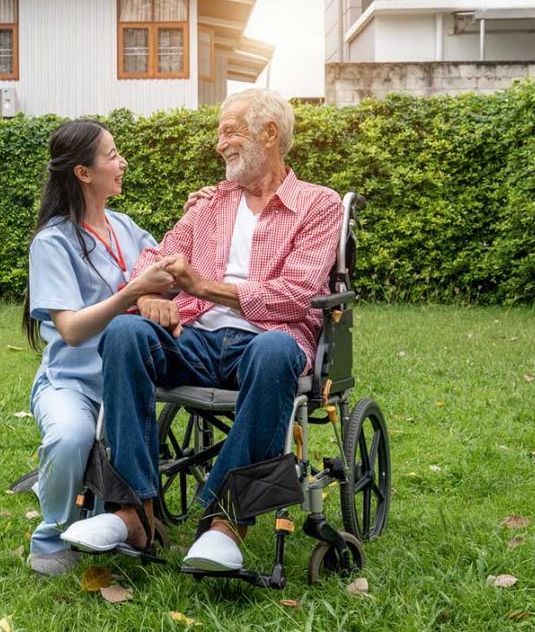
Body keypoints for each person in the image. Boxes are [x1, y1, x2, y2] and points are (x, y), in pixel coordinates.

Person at [60, 89, 344, 573]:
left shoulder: (319, 205)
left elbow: (297, 295)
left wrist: (202, 286)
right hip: (197, 338)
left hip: (268, 342)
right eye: (219, 134)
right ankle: (134, 515)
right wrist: (149, 295)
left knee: (275, 349)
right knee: (125, 335)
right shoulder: (210, 204)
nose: (219, 145)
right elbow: (156, 258)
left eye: (229, 131)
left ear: (269, 134)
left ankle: (224, 523)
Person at [22, 119, 212, 576]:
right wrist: (133, 293)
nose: (122, 162)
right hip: (74, 383)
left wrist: (197, 218)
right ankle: (49, 537)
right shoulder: (53, 242)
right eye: (112, 155)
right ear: (84, 173)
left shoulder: (127, 229)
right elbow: (70, 330)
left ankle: (126, 516)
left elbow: (168, 275)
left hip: (128, 380)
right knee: (71, 438)